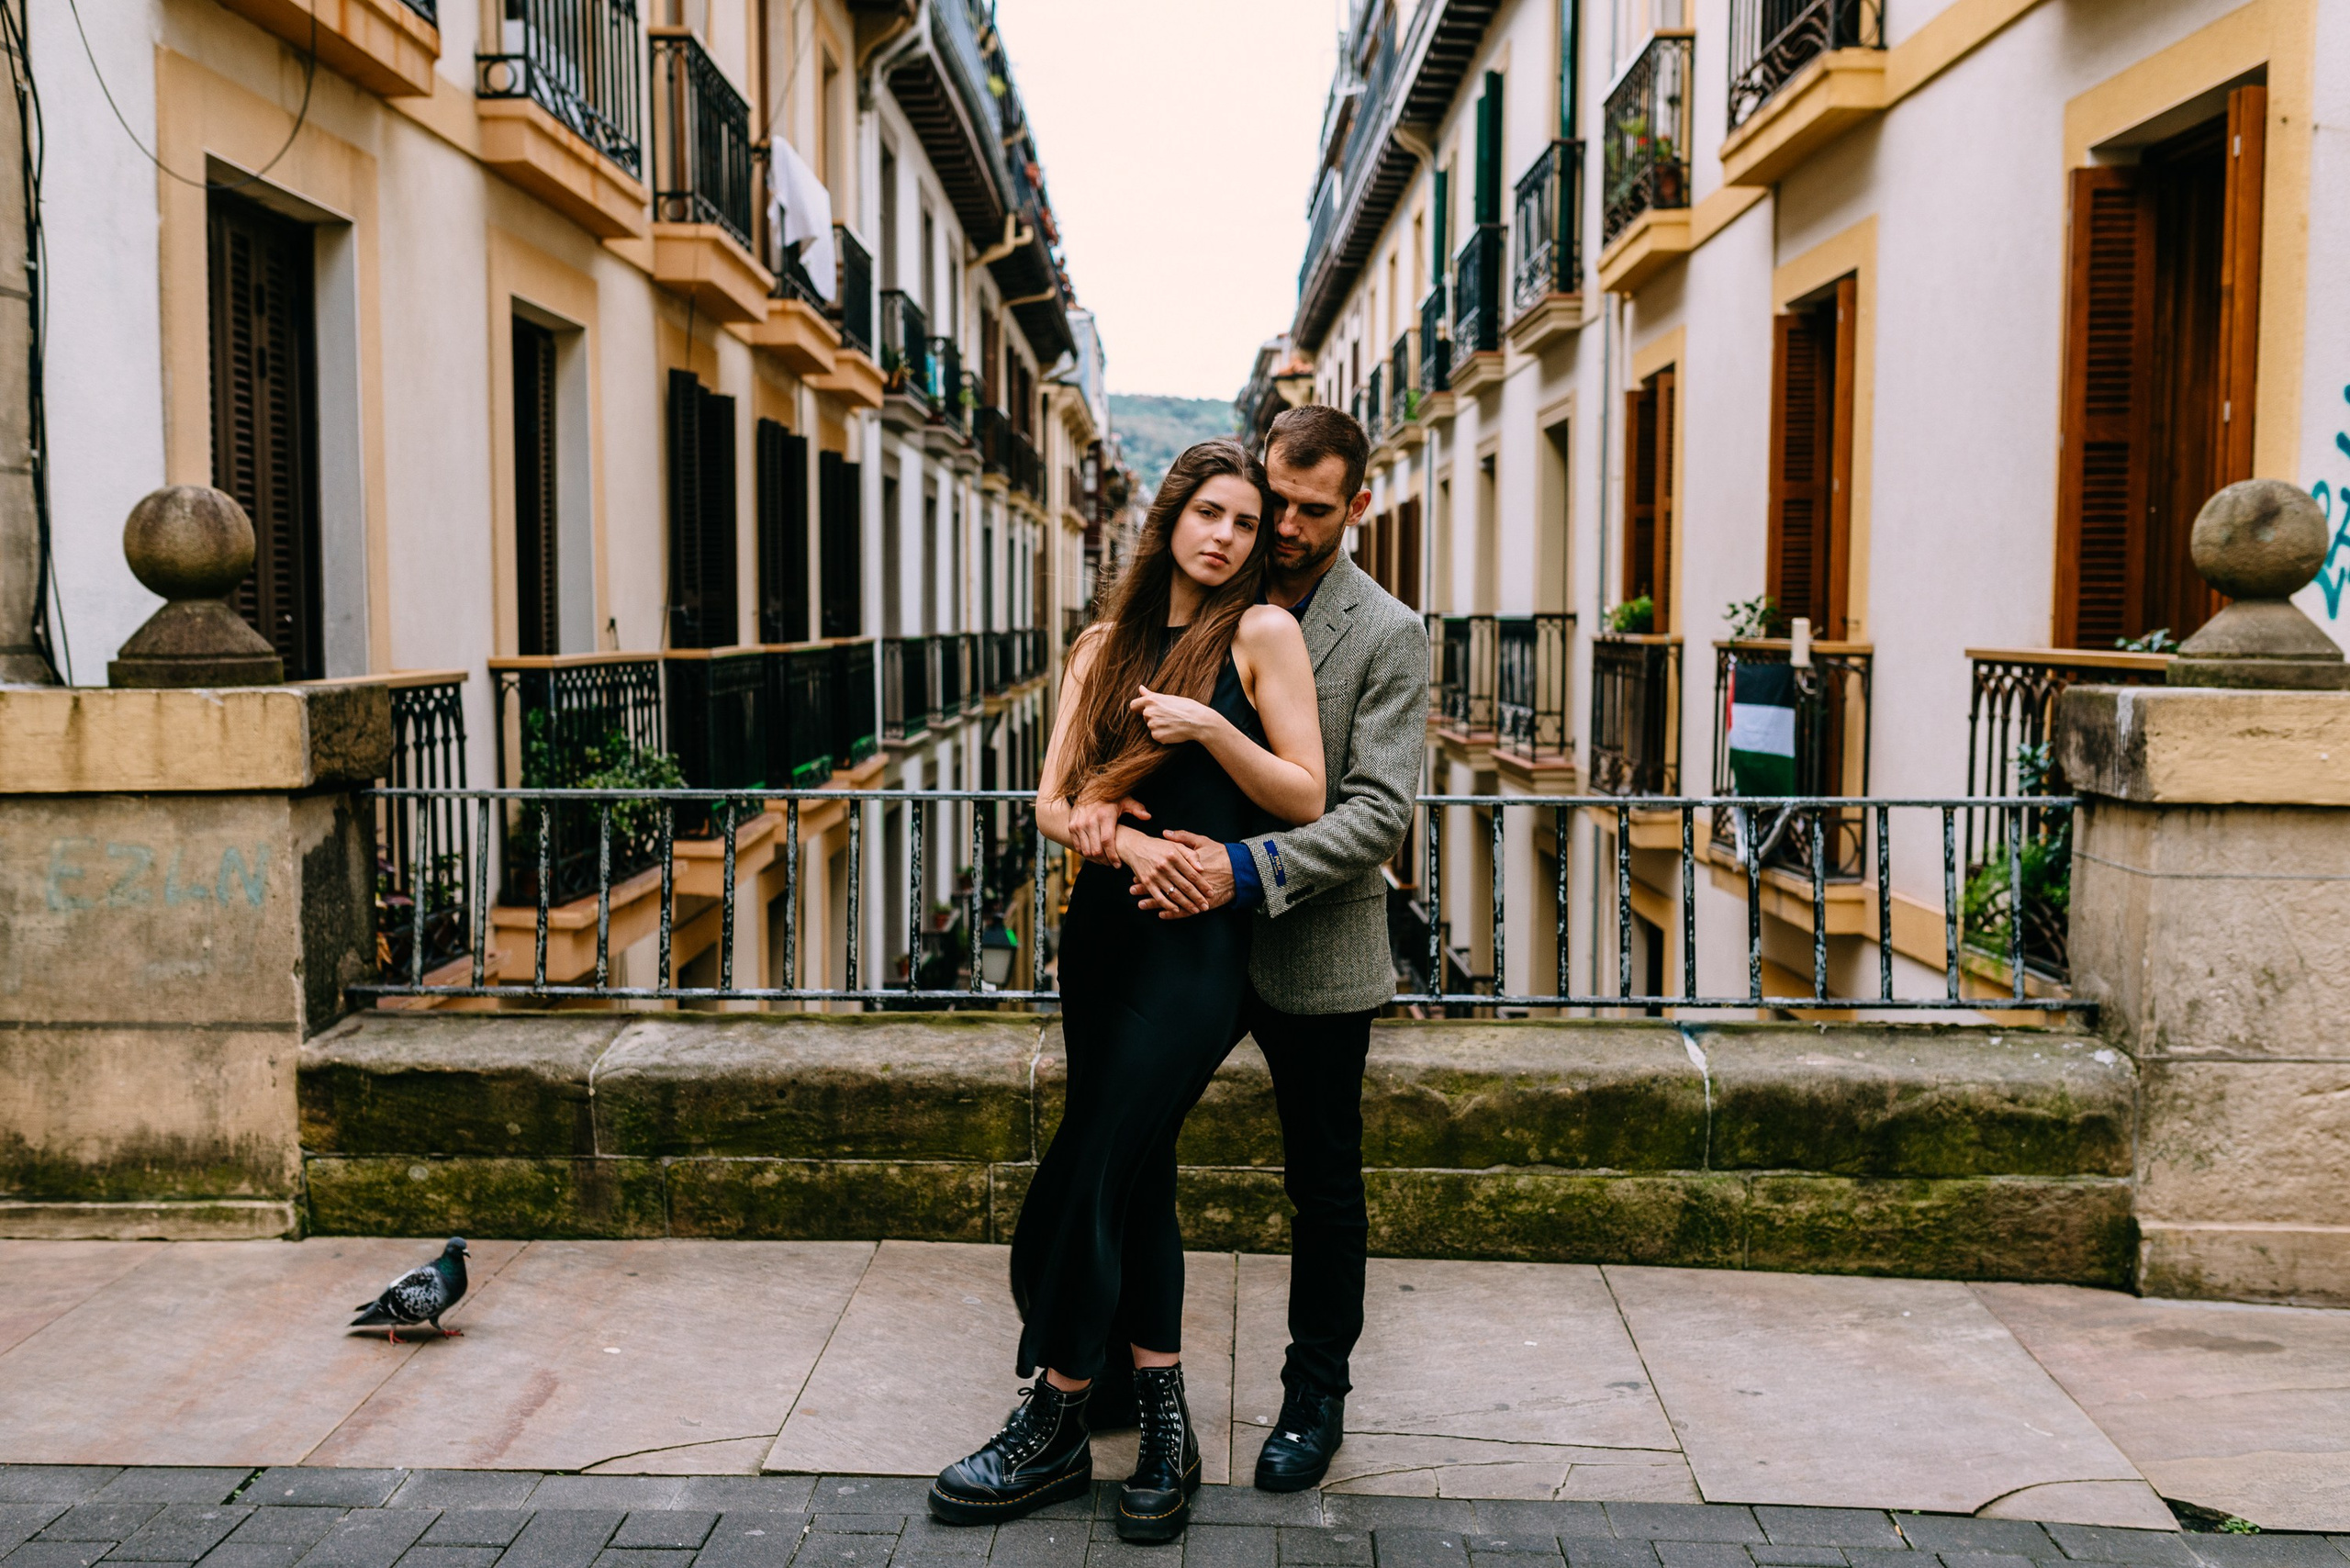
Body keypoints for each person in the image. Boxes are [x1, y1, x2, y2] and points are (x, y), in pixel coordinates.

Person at [928, 439, 1327, 1541]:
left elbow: (1304, 793)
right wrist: (1102, 835)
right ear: (1170, 517)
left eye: (1247, 524)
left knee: (1095, 1156)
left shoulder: (1261, 634)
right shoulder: (1101, 645)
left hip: (1200, 947)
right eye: (1211, 513)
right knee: (1136, 1170)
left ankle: (1054, 1412)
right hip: (1101, 934)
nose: (1228, 537)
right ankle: (1162, 1420)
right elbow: (1051, 801)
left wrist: (1208, 727)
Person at [1082, 405, 1424, 1493]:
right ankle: (1118, 1370)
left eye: (1309, 511)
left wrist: (1241, 870)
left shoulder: (1386, 633)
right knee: (1131, 1148)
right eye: (1272, 497)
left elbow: (1375, 814)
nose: (1278, 524)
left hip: (1310, 942)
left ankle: (1313, 1396)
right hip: (1176, 943)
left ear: (1355, 508)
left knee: (1322, 1183)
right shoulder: (1211, 595)